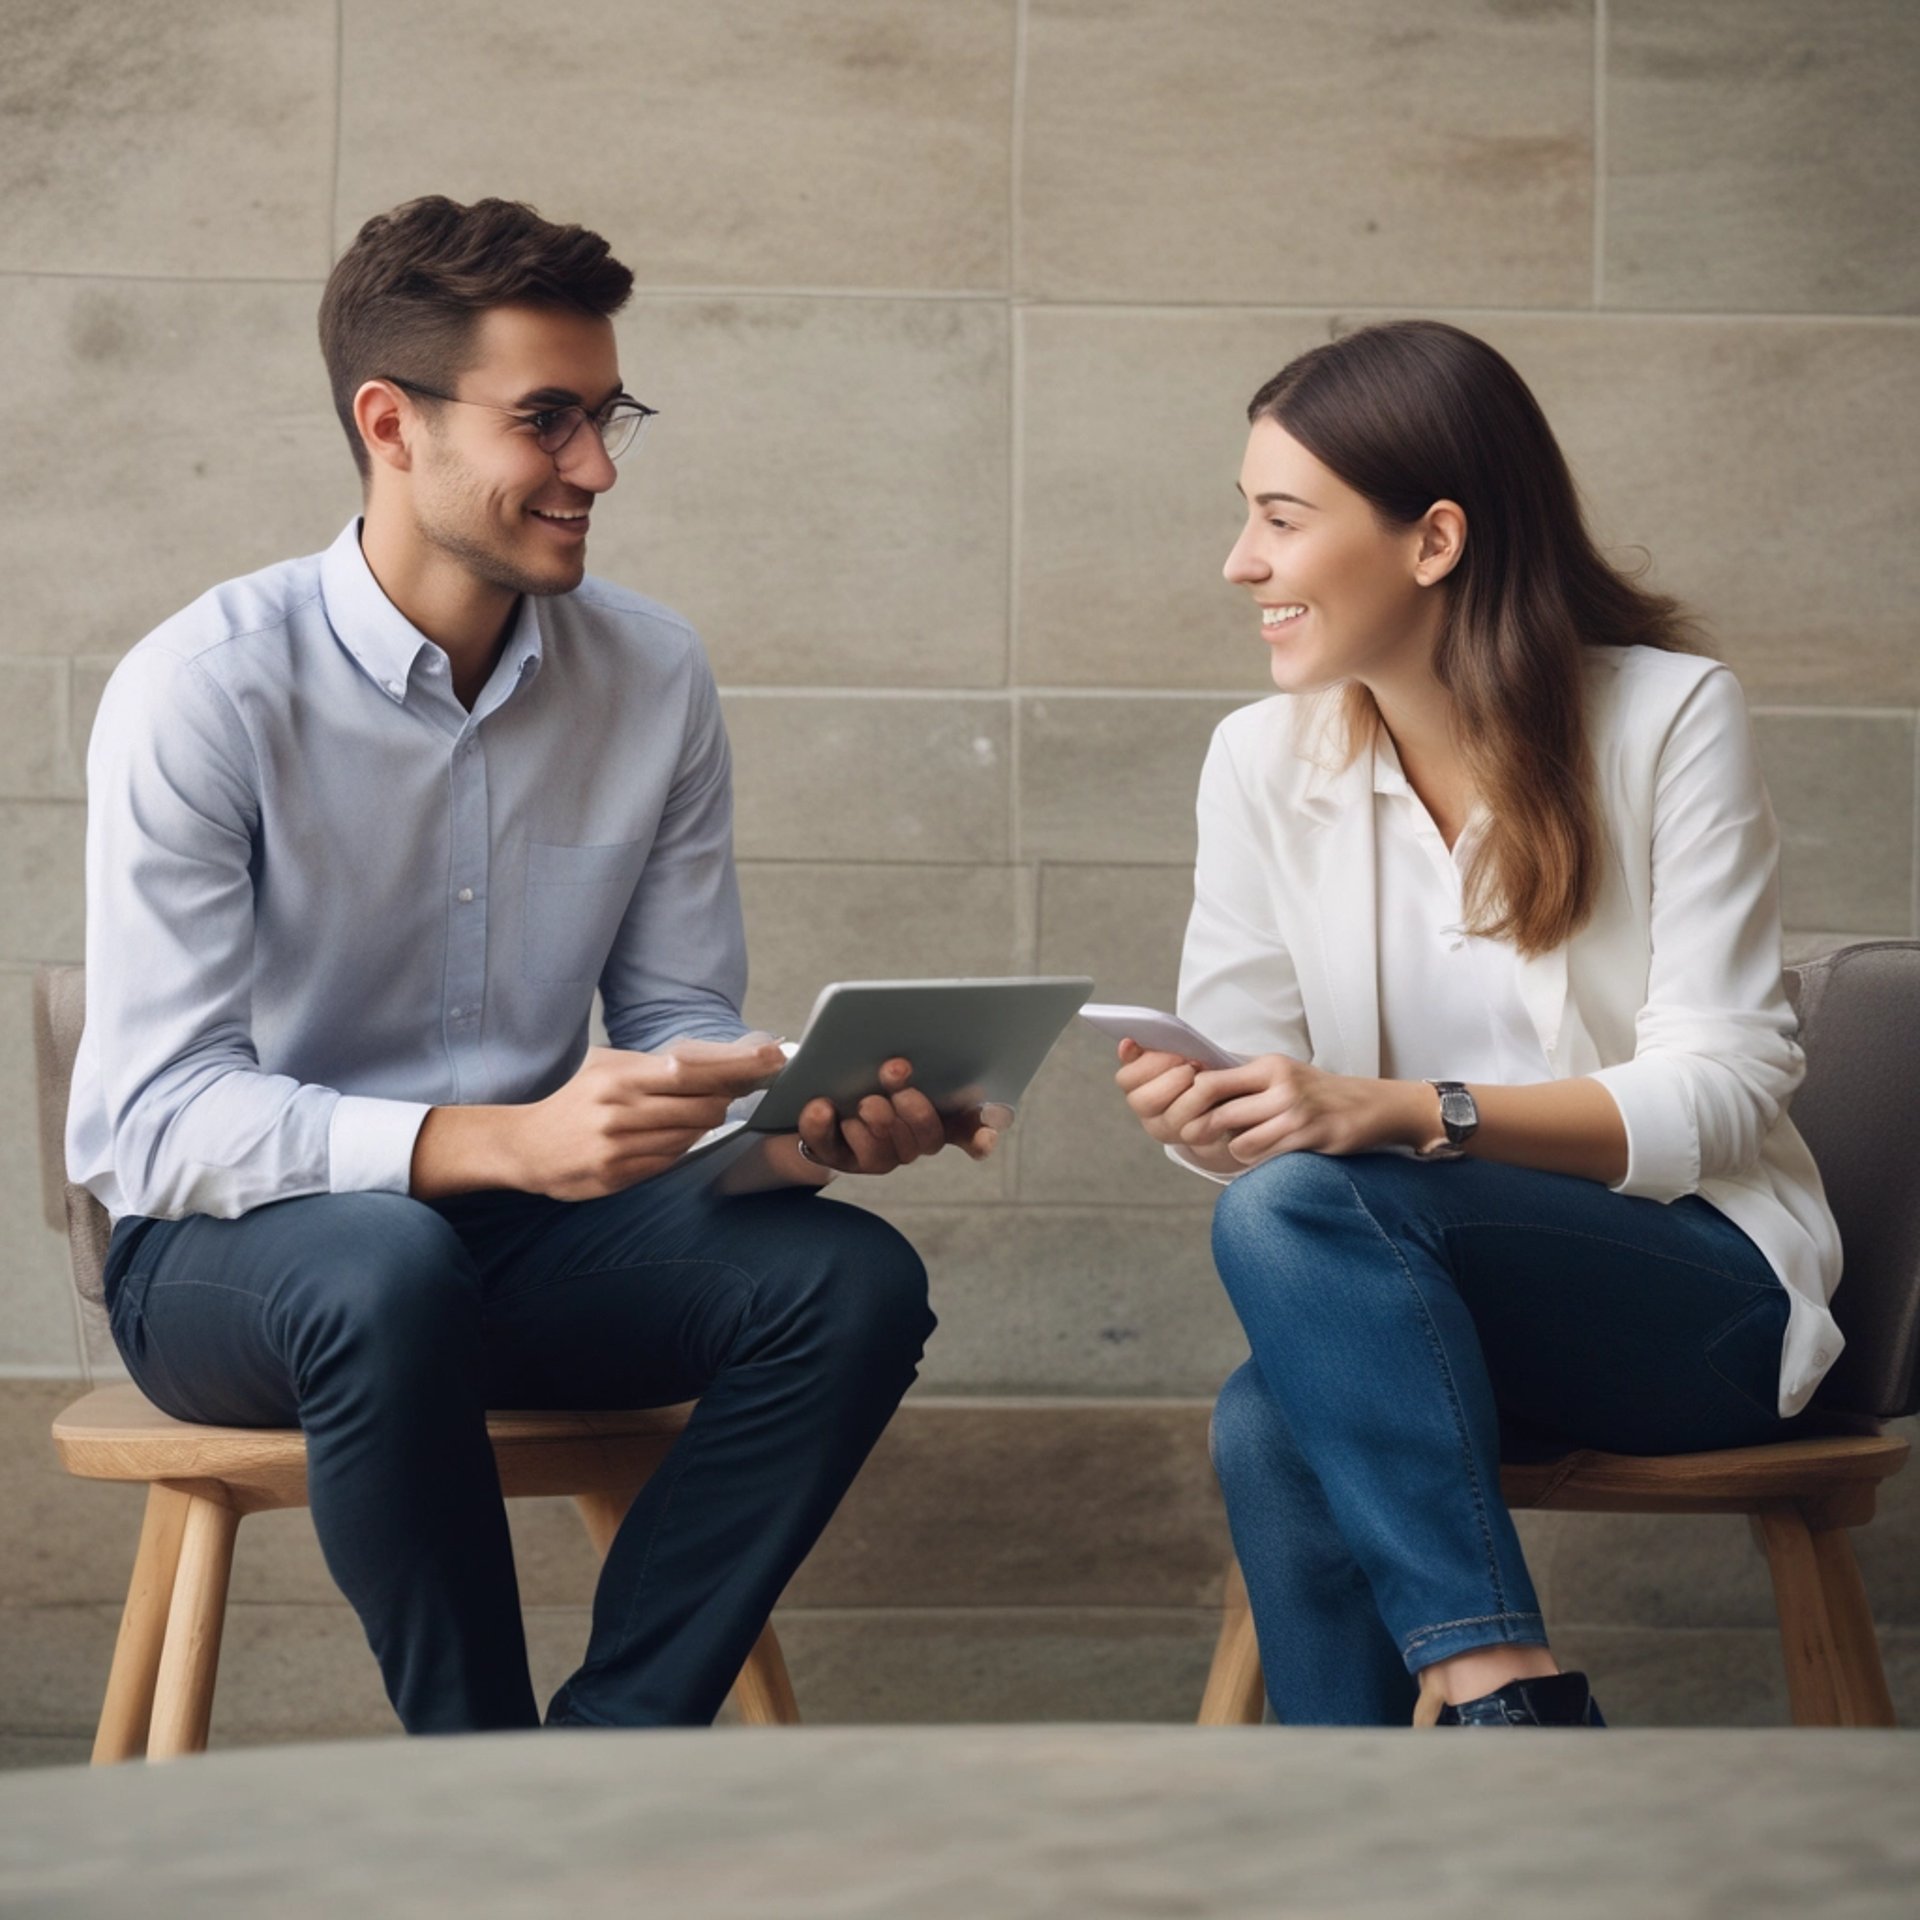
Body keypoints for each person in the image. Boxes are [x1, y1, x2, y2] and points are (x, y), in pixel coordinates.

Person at [67, 195, 1005, 1734]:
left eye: (608, 413)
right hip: (234, 1260)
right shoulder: (205, 692)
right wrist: (495, 1139)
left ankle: (605, 1763)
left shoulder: (651, 674)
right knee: (385, 1261)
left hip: (523, 1241)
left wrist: (803, 1113)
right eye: (547, 420)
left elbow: (676, 1022)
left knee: (848, 1286)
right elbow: (150, 1121)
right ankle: (477, 1793)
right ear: (392, 424)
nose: (598, 467)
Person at [1113, 320, 1843, 1728]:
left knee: (1294, 1240)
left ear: (1434, 540)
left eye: (1280, 519)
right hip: (1419, 1310)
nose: (1239, 563)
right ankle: (1475, 1739)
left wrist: (1406, 1112)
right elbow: (1273, 1134)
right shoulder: (1259, 760)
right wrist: (1215, 1112)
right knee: (1270, 1408)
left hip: (1703, 1299)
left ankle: (1485, 1708)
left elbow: (1728, 1085)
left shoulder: (1667, 716)